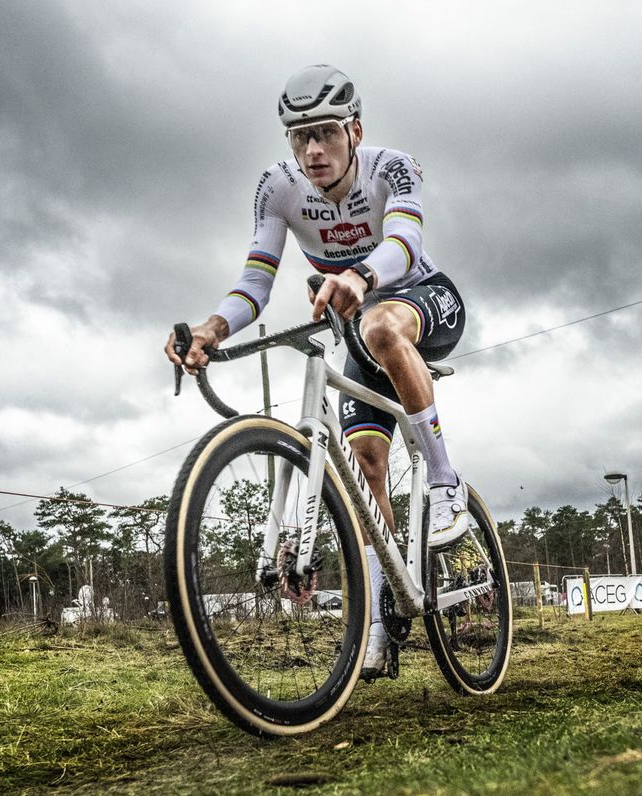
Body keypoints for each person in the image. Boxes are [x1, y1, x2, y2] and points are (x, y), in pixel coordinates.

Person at [164, 65, 469, 675]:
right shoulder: (277, 188)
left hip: (422, 300)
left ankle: (444, 480)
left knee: (382, 325)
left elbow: (404, 241)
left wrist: (360, 275)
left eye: (327, 133)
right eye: (299, 137)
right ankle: (382, 630)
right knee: (366, 475)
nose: (313, 150)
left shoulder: (392, 167)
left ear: (355, 130)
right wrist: (210, 328)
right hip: (354, 326)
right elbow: (255, 281)